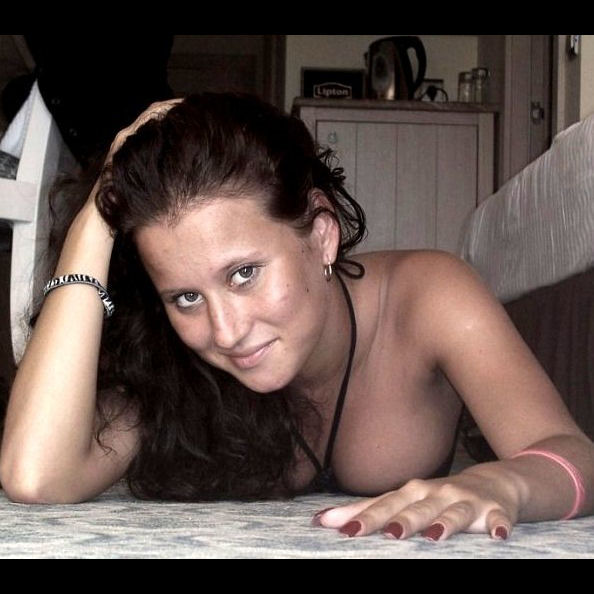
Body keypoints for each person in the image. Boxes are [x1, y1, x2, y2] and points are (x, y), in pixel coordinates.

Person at [1, 93, 592, 542]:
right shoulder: (172, 359)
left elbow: (572, 451)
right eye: (185, 297)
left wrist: (502, 481)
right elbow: (34, 475)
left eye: (244, 274)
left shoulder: (428, 297)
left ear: (322, 234)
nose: (226, 332)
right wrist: (96, 217)